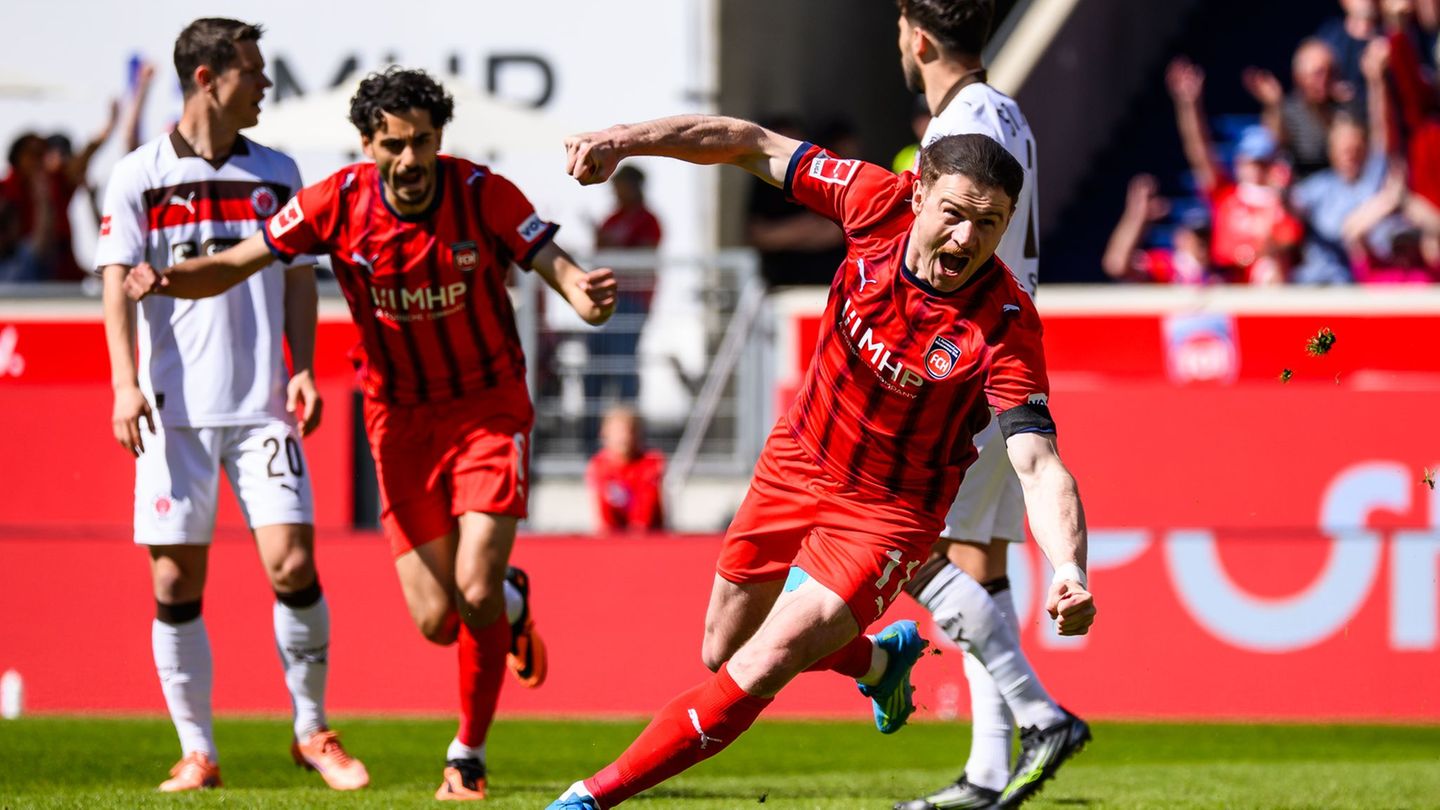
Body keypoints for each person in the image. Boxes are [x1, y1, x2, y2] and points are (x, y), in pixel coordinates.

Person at [547, 115, 1096, 809]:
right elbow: (750, 143)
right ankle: (877, 659)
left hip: (888, 515)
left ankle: (587, 799)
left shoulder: (1005, 325)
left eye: (989, 224)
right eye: (954, 214)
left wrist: (1071, 570)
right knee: (721, 648)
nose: (967, 239)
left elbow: (1039, 463)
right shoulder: (873, 201)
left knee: (762, 662)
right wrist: (625, 140)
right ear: (919, 192)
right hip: (798, 458)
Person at [122, 66, 618, 801]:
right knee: (437, 620)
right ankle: (511, 606)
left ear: (440, 139)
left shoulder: (482, 193)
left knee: (472, 590)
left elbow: (550, 258)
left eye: (422, 142)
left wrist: (581, 290)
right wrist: (165, 280)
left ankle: (467, 754)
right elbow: (238, 261)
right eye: (393, 145)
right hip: (399, 422)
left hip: (487, 409)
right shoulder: (337, 203)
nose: (410, 160)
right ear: (366, 144)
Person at [97, 18, 367, 792]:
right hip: (172, 413)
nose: (265, 86)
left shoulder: (278, 171)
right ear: (207, 77)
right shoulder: (138, 174)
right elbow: (118, 280)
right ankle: (198, 751)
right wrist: (124, 383)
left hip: (260, 408)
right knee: (176, 584)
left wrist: (305, 368)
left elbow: (295, 278)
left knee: (292, 563)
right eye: (252, 72)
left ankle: (312, 731)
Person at [893, 2, 1092, 807]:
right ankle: (985, 770)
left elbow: (949, 253)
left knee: (895, 538)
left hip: (964, 365)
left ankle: (1041, 715)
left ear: (918, 37)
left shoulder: (960, 133)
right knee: (979, 561)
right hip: (999, 359)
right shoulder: (1002, 109)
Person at [1168, 57, 1304, 284]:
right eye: (1249, 160)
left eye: (1260, 161)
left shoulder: (1279, 200)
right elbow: (1199, 151)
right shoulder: (1227, 194)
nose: (1253, 167)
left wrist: (1274, 105)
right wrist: (1189, 105)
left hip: (1260, 286)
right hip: (1222, 280)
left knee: (1269, 270)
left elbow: (1288, 240)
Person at [587, 164, 661, 411]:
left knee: (622, 364)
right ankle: (594, 434)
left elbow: (644, 258)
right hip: (605, 301)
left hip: (633, 301)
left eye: (619, 187)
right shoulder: (612, 218)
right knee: (596, 365)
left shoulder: (648, 220)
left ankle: (629, 425)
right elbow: (599, 252)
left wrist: (615, 248)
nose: (615, 193)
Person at [1243, 39, 1350, 179]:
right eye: (1318, 73)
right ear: (1300, 76)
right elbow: (1275, 143)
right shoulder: (1289, 110)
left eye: (1331, 72)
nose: (1324, 80)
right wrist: (1273, 106)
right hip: (1306, 186)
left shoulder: (1344, 107)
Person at [1102, 174, 1222, 285]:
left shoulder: (1223, 270)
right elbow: (1117, 265)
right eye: (1198, 239)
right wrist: (1137, 217)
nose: (1203, 246)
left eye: (1207, 238)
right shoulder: (1165, 265)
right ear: (1181, 238)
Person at [586, 406, 665, 534]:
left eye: (629, 431)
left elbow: (645, 511)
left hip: (649, 537)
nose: (624, 437)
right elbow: (603, 513)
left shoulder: (650, 462)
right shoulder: (599, 465)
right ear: (605, 433)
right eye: (618, 431)